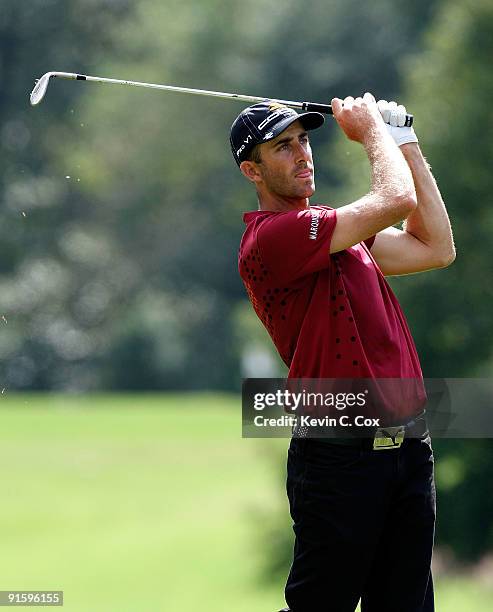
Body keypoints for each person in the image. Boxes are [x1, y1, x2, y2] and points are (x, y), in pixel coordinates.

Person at [230, 93, 455, 612]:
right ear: (252, 170)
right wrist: (373, 130)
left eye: (305, 141)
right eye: (283, 147)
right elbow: (394, 201)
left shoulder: (341, 235)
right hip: (338, 458)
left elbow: (435, 247)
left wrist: (407, 143)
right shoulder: (272, 238)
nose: (303, 154)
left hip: (407, 450)